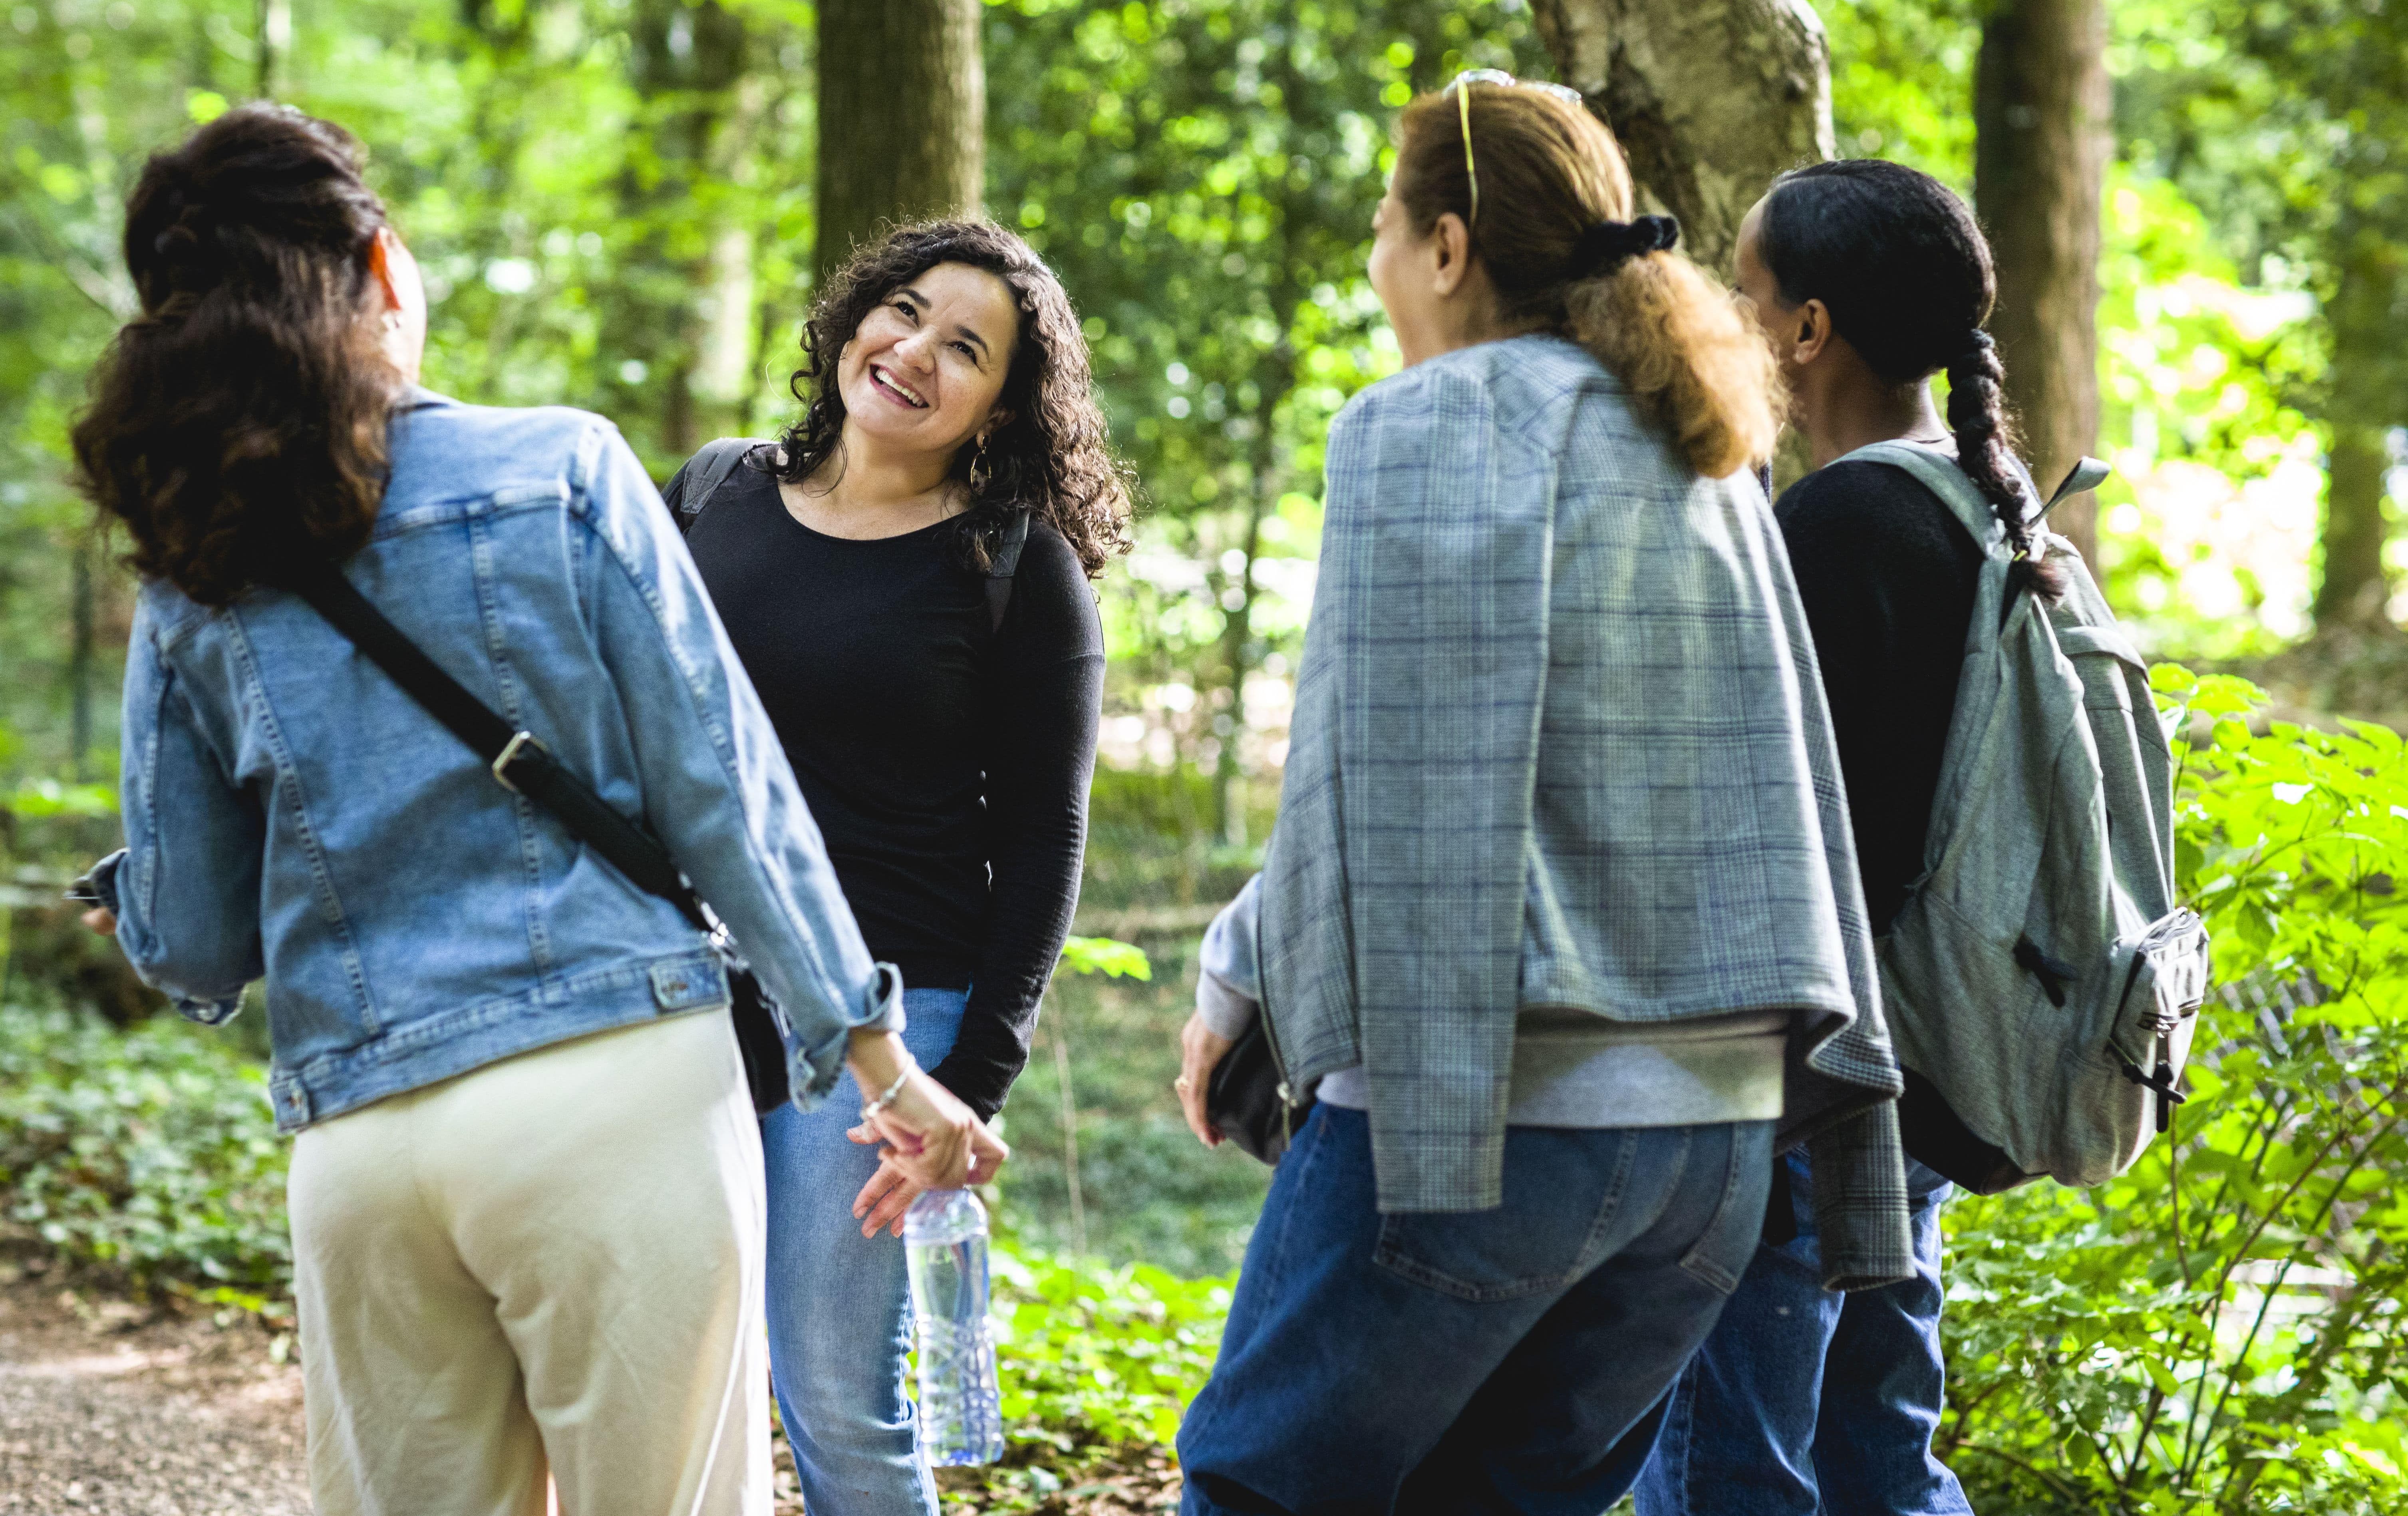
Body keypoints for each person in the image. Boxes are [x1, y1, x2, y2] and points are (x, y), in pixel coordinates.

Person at [69, 104, 1002, 1516]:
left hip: (365, 1141)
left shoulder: (194, 568)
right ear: (383, 267)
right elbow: (726, 794)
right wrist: (880, 1059)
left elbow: (193, 947)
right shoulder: (559, 471)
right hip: (614, 1095)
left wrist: (158, 878)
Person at [1168, 76, 1915, 1516]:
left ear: (1446, 246)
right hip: (1706, 1150)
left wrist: (1231, 978)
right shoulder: (1701, 445)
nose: (1377, 266)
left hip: (1489, 1112)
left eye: (1384, 231)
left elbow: (1372, 768)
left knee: (1256, 1488)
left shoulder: (1427, 422)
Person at [663, 217, 1125, 1516]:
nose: (914, 351)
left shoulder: (1013, 568)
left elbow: (1046, 837)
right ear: (855, 314)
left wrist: (965, 1083)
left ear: (1000, 407)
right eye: (905, 310)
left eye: (964, 348)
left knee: (835, 1396)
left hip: (882, 1020)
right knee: (668, 1380)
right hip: (676, 994)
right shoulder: (711, 494)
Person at [1631, 159, 2036, 1516]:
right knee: (1879, 1441)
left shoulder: (1840, 524)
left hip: (1806, 1073)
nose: (1726, 326)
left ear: (1807, 331)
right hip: (1920, 1053)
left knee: (1738, 1455)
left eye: (1743, 297)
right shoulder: (1983, 501)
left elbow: (1779, 831)